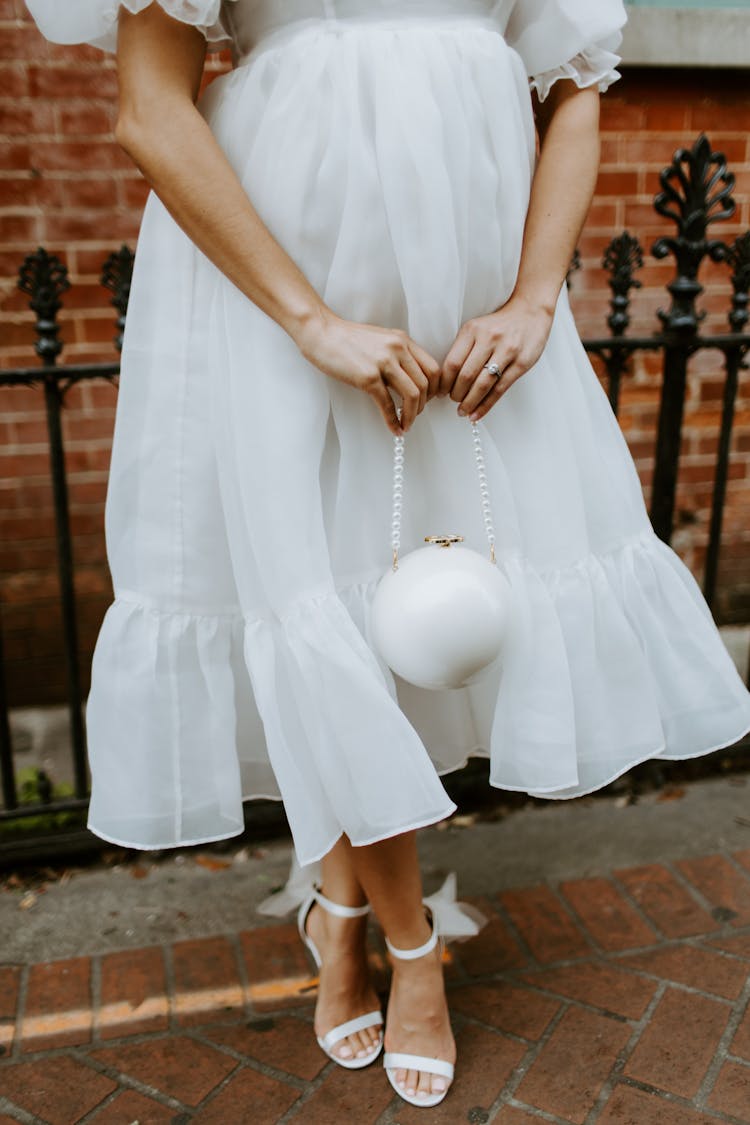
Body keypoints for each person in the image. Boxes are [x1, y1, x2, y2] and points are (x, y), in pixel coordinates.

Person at [25, 0, 750, 1108]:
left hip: (467, 309)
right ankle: (403, 946)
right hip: (275, 302)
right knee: (320, 607)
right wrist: (311, 322)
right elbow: (151, 110)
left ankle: (340, 900)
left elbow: (574, 98)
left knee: (419, 606)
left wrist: (535, 298)